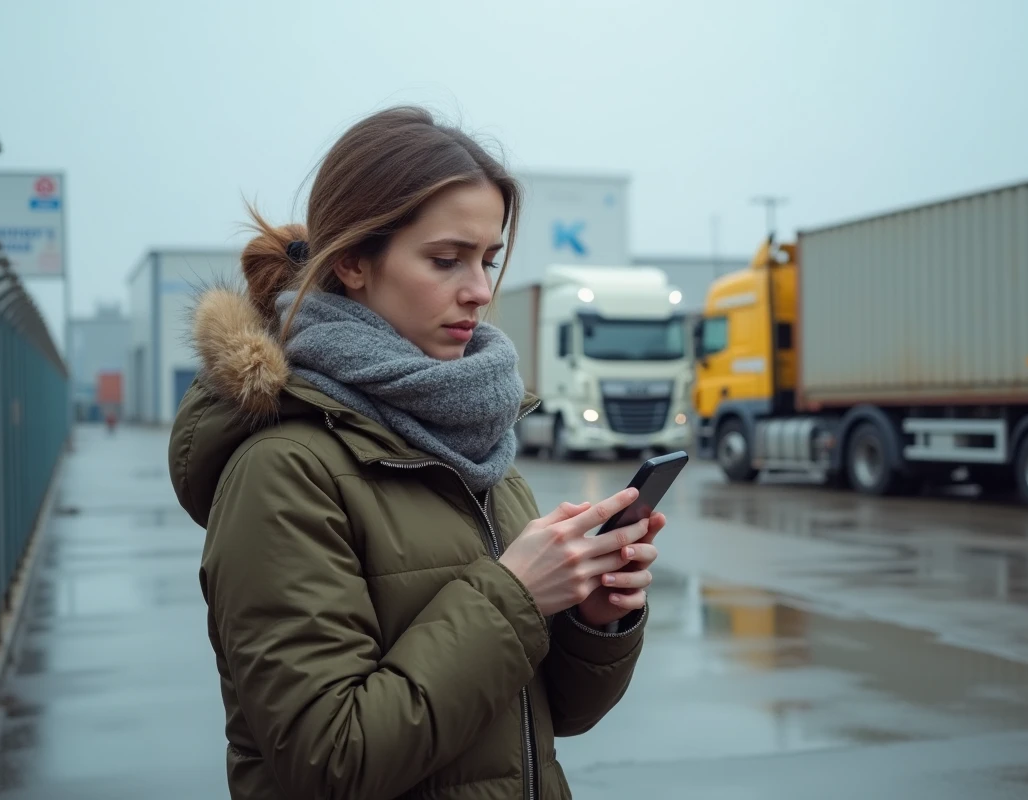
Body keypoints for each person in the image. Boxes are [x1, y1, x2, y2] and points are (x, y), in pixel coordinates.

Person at [168, 105, 664, 800]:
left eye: (487, 259)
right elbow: (331, 760)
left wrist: (596, 619)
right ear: (353, 262)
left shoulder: (473, 439)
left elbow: (551, 716)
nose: (481, 290)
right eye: (446, 259)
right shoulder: (282, 472)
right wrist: (516, 595)